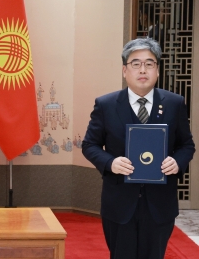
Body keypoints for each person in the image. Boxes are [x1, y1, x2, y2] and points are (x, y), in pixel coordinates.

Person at [82, 38, 194, 259]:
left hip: (160, 204)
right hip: (120, 204)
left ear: (157, 70)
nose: (143, 70)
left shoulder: (174, 103)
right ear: (125, 70)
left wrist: (177, 162)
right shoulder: (106, 105)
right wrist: (110, 162)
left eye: (149, 64)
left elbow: (186, 145)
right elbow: (89, 145)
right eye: (136, 63)